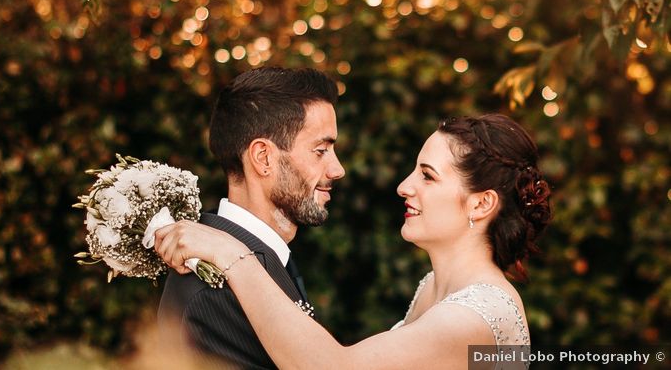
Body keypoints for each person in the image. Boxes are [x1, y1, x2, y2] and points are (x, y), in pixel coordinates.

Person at [156, 114, 552, 370]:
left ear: (482, 204)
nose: (404, 186)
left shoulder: (479, 316)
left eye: (428, 176)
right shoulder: (435, 289)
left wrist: (232, 254)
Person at [157, 67, 346, 369]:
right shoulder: (213, 289)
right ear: (263, 158)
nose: (337, 170)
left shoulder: (262, 257)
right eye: (320, 150)